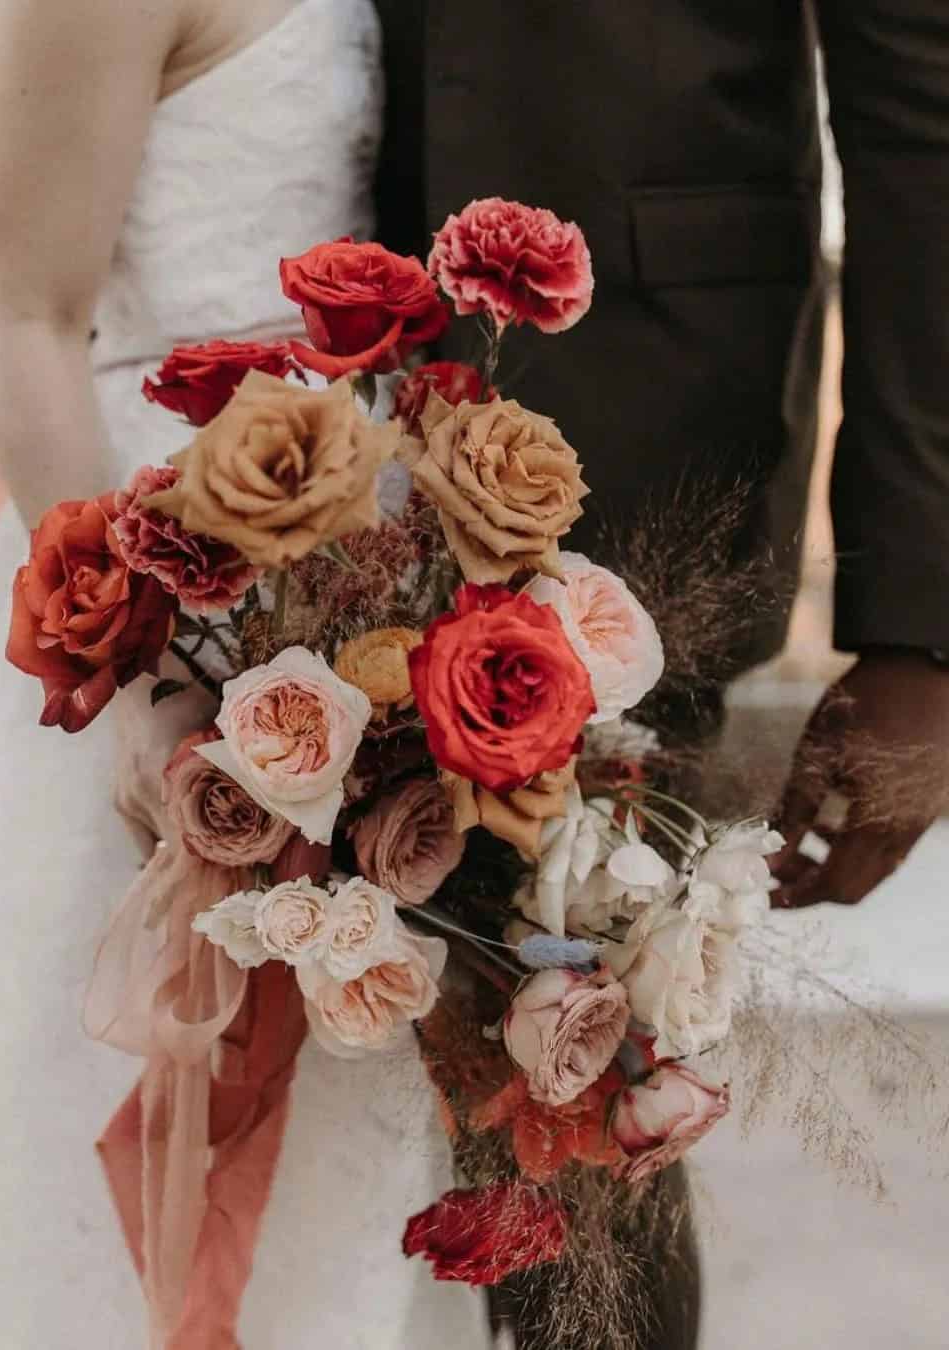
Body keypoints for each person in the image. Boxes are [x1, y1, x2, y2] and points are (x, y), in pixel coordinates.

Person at [0, 2, 490, 1347]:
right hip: (159, 574)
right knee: (105, 1071)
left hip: (351, 582)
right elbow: (28, 320)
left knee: (341, 1109)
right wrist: (139, 676)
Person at [373, 0, 949, 910]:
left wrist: (921, 632)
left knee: (578, 985)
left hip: (639, 432)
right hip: (254, 420)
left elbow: (927, 114)